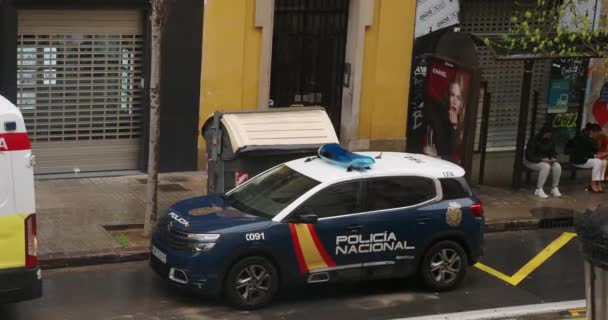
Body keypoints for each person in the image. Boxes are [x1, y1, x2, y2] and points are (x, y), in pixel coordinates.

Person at [423, 73, 466, 165]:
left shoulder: (466, 124)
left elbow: (456, 156)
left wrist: (455, 127)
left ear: (463, 102)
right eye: (452, 95)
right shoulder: (442, 116)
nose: (454, 101)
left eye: (458, 98)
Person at [524, 126, 562, 199]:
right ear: (543, 133)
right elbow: (529, 156)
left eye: (550, 134)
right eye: (547, 134)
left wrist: (553, 158)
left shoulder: (550, 140)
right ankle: (538, 189)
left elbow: (553, 152)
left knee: (557, 166)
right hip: (531, 162)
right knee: (545, 167)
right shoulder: (533, 140)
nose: (549, 136)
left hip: (546, 161)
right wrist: (541, 159)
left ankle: (554, 187)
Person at [570, 123, 608, 193]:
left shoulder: (592, 139)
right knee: (598, 162)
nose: (598, 136)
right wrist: (595, 156)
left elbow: (594, 151)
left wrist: (599, 154)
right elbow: (582, 153)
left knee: (604, 162)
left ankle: (598, 182)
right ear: (593, 132)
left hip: (587, 159)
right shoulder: (582, 138)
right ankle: (593, 184)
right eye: (597, 134)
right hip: (579, 160)